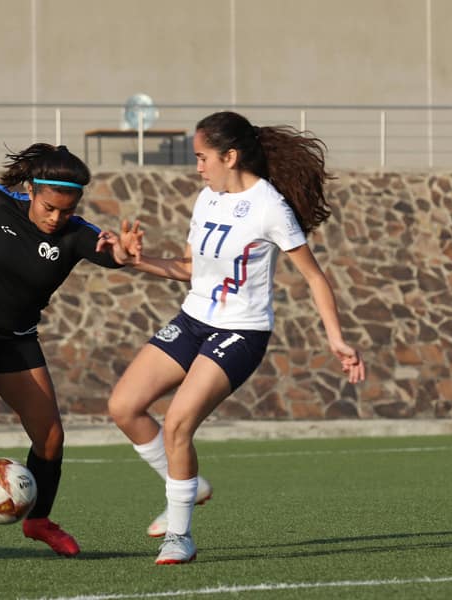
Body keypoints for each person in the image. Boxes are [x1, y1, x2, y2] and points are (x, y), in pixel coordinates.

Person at [101, 111, 366, 565]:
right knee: (123, 406)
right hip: (192, 319)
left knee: (179, 422)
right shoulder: (206, 199)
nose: (198, 166)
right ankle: (188, 486)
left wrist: (336, 339)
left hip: (241, 331)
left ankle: (179, 535)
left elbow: (315, 278)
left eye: (203, 157)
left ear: (230, 155)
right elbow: (188, 270)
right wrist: (134, 262)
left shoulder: (269, 207)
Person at [0, 143, 132, 558]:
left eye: (67, 210)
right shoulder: (1, 203)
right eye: (50, 207)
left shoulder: (76, 235)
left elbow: (114, 257)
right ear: (33, 191)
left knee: (50, 437)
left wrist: (124, 251)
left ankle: (38, 521)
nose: (57, 218)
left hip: (15, 335)